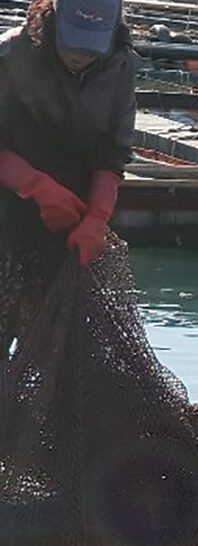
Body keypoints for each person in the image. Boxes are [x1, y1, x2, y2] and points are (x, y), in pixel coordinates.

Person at [0, 0, 136, 358]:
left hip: (73, 218)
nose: (80, 55)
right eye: (72, 42)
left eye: (92, 46)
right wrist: (36, 187)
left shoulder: (121, 65)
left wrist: (97, 218)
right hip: (6, 209)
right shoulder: (11, 55)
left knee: (63, 348)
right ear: (51, 20)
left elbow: (114, 151)